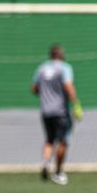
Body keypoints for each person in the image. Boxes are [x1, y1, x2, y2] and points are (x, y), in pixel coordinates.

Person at [31, 44, 83, 185]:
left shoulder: (41, 68)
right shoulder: (64, 68)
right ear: (60, 55)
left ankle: (45, 164)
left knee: (49, 140)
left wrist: (47, 94)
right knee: (63, 141)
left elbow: (34, 88)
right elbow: (68, 86)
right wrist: (76, 104)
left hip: (46, 111)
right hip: (60, 111)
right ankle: (58, 172)